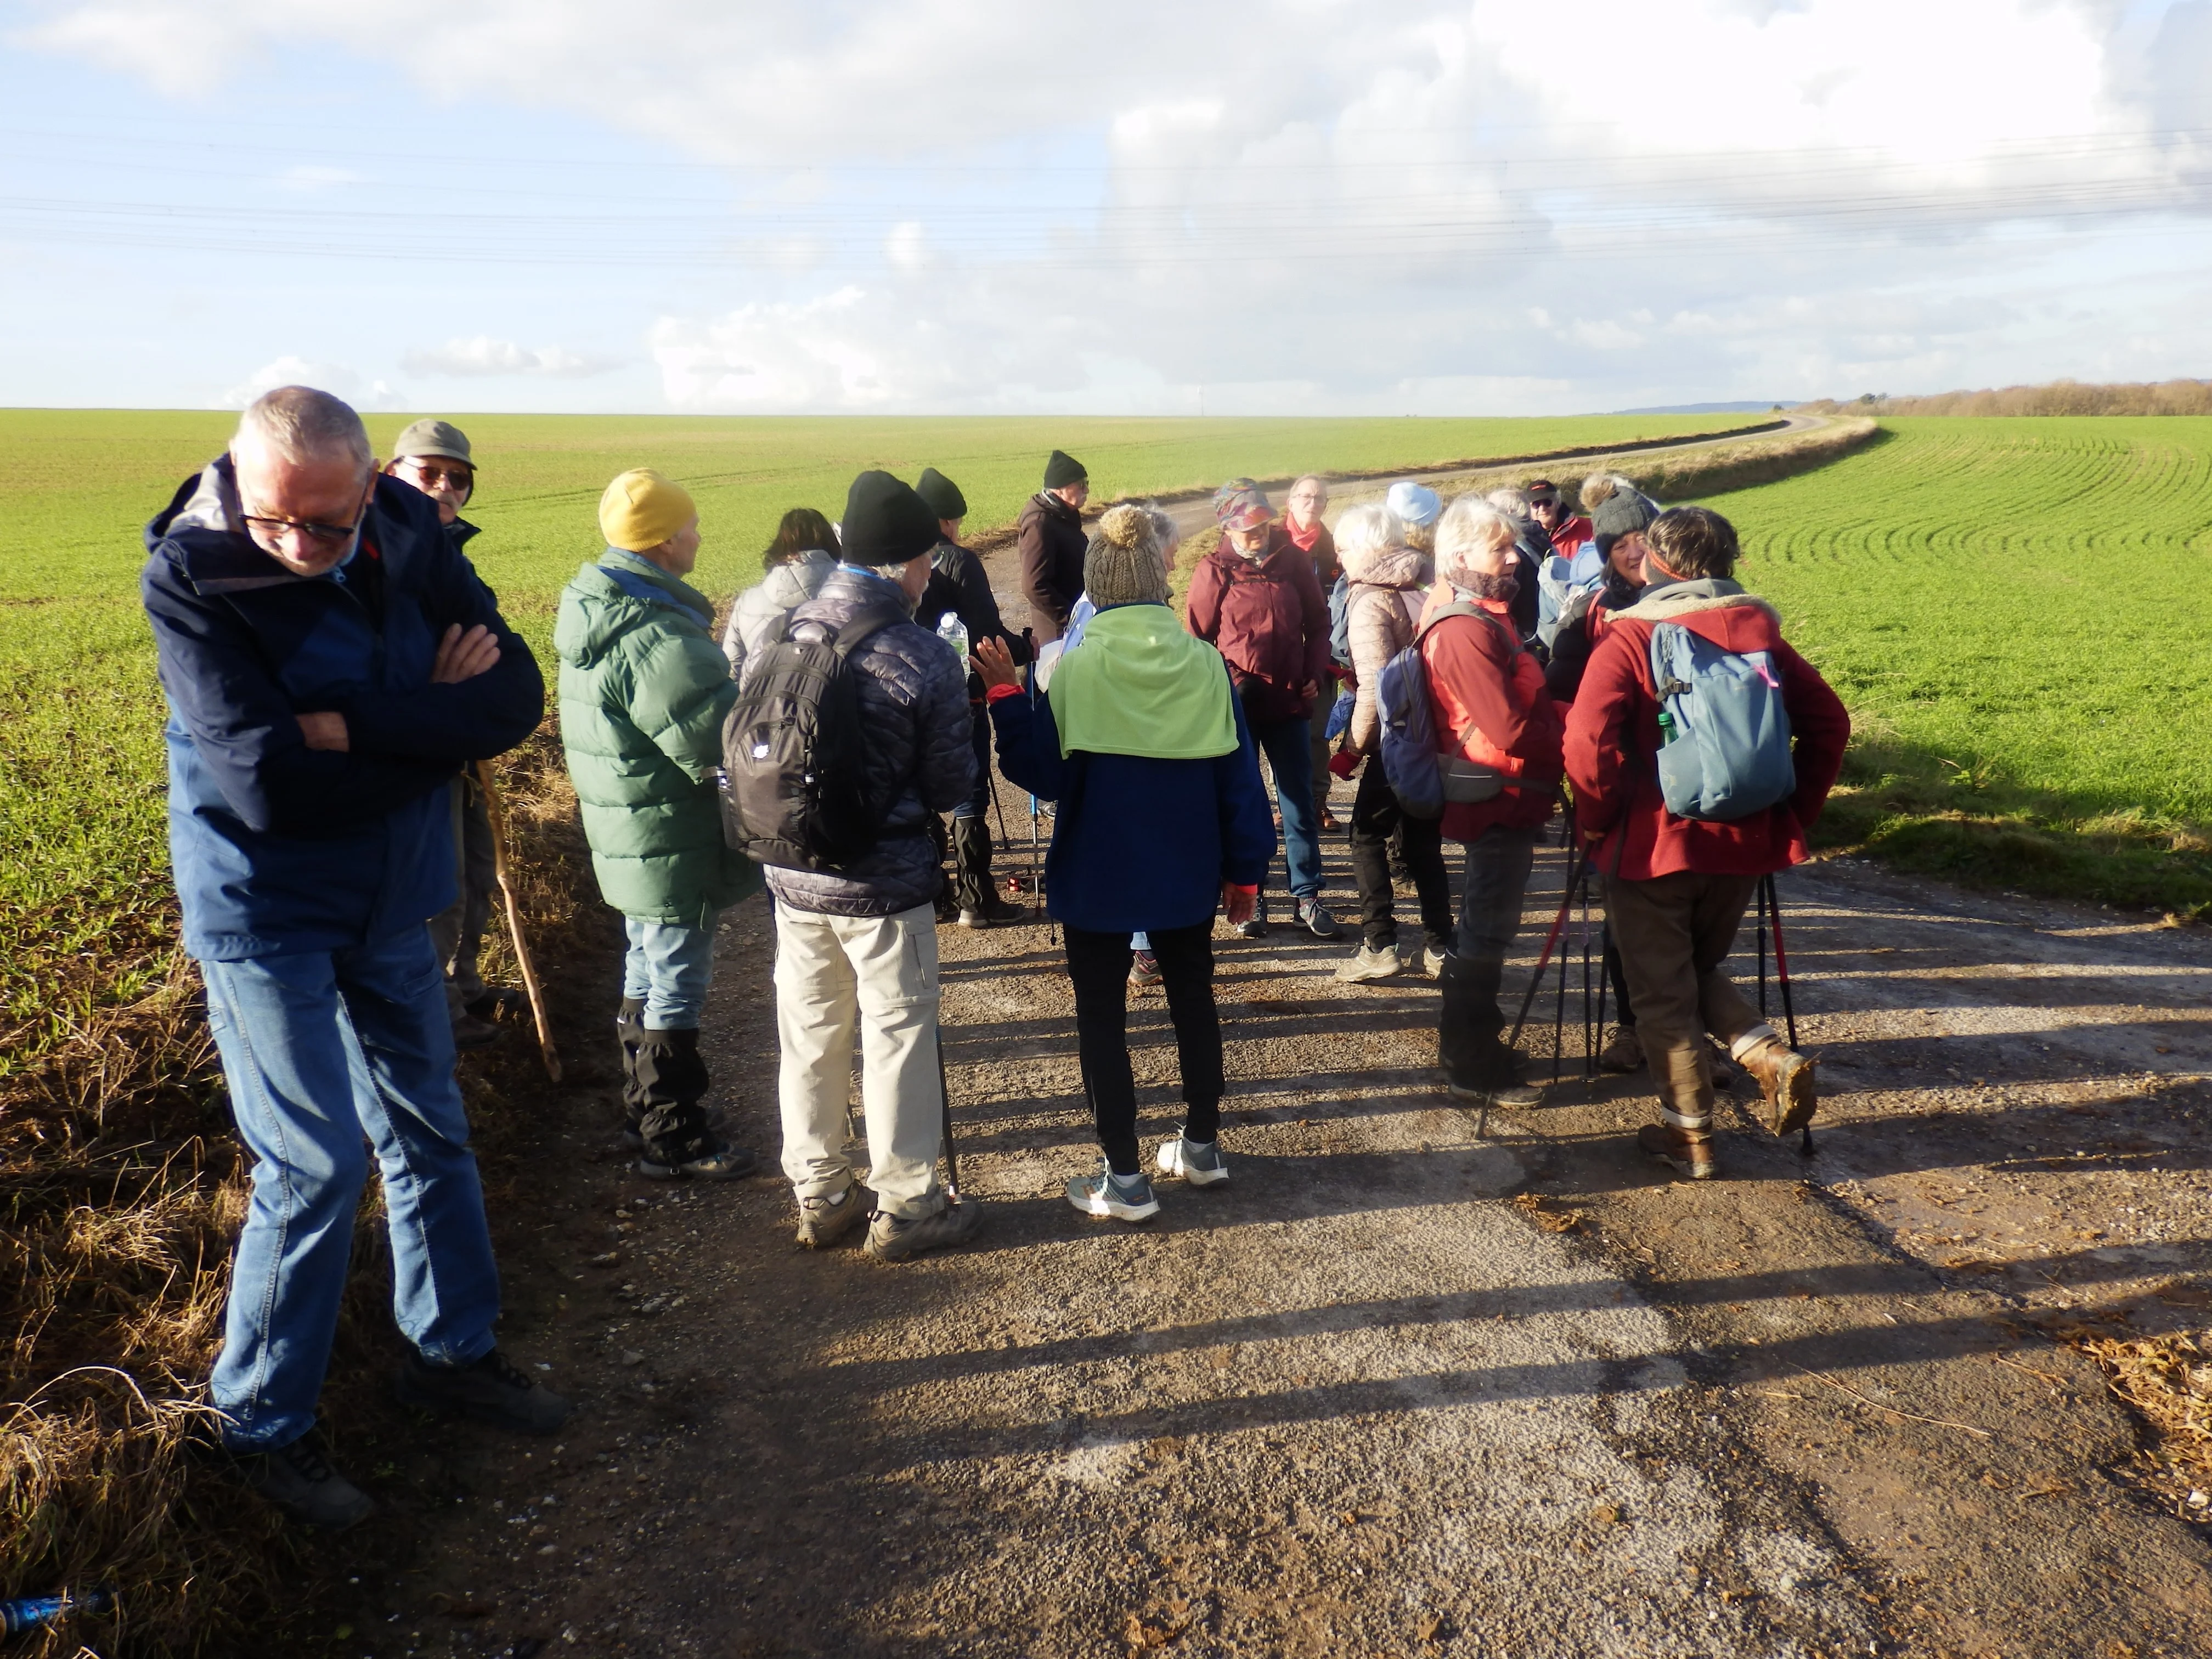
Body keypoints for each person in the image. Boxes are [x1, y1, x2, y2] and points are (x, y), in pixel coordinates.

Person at [142, 386, 566, 1530]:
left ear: (369, 484)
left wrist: (357, 724)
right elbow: (268, 787)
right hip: (264, 905)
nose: (299, 548)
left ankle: (450, 1352)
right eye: (276, 521)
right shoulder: (193, 573)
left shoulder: (408, 527)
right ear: (238, 479)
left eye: (327, 525)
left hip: (393, 892)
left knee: (429, 1120)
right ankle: (260, 1427)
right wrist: (427, 717)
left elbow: (512, 695)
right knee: (316, 1163)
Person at [976, 506, 1274, 1222]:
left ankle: (1125, 1178)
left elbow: (1042, 774)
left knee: (1102, 1021)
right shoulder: (1204, 664)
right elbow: (1239, 782)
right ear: (1156, 581)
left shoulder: (1075, 670)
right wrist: (1245, 874)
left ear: (1098, 583)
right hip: (1186, 870)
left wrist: (1006, 698)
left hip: (1098, 870)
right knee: (1193, 1003)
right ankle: (1202, 1146)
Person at [1565, 506, 1850, 1180]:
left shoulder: (1632, 638)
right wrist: (1792, 816)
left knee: (1660, 992)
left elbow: (1586, 742)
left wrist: (1596, 822)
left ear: (1659, 565)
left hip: (1652, 845)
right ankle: (1765, 1055)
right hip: (1745, 841)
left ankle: (1688, 1138)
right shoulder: (1763, 636)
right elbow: (1830, 724)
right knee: (1688, 971)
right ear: (1731, 562)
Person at [769, 471, 981, 1262]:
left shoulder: (788, 633)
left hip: (793, 876)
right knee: (895, 1034)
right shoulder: (918, 654)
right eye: (926, 560)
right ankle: (908, 1204)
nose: (931, 574)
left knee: (811, 1035)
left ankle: (822, 1195)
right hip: (883, 884)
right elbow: (955, 786)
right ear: (901, 564)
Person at [556, 470, 762, 1179]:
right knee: (677, 975)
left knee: (645, 963)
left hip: (629, 835)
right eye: (692, 524)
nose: (700, 534)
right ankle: (674, 1133)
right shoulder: (654, 637)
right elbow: (721, 739)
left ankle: (641, 1104)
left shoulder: (598, 611)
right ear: (665, 539)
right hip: (668, 836)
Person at [1424, 499, 1566, 1107]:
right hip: (1495, 794)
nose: (1514, 557)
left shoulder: (1487, 614)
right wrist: (1579, 731)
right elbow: (1507, 727)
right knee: (1485, 930)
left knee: (1487, 926)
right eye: (1500, 548)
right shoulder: (1463, 628)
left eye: (1513, 547)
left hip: (1507, 792)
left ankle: (1475, 1046)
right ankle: (1469, 1061)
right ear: (1460, 557)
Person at [385, 418, 510, 1053]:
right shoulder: (384, 554)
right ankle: (441, 1012)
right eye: (428, 472)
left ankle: (466, 986)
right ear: (390, 473)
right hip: (422, 751)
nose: (445, 487)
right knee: (442, 886)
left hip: (460, 745)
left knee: (476, 873)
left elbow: (489, 652)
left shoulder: (449, 553)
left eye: (457, 478)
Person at [1185, 479, 1336, 939]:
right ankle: (1252, 899)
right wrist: (1232, 684)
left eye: (1264, 526)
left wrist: (1313, 671)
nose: (1259, 536)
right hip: (1239, 708)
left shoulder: (1292, 561)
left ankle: (1307, 894)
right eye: (1249, 530)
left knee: (1298, 801)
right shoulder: (1214, 571)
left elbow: (1318, 622)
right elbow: (1198, 642)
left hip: (1291, 701)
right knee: (1245, 804)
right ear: (1228, 528)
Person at [1331, 504, 1455, 983]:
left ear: (1363, 549)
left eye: (1342, 547)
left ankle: (1379, 944)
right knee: (1424, 844)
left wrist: (1351, 750)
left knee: (1365, 835)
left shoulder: (1368, 602)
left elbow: (1374, 690)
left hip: (1394, 743)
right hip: (1433, 738)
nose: (1338, 556)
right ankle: (1442, 948)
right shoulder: (1427, 586)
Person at [912, 465, 1025, 927]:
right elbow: (985, 633)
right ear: (945, 521)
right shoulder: (960, 561)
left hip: (912, 695)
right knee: (969, 795)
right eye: (955, 520)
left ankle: (934, 894)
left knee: (918, 793)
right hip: (964, 696)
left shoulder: (902, 561)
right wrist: (1023, 648)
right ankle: (977, 899)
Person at [1280, 475, 1342, 831]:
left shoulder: (1336, 549)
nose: (1313, 503)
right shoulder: (1271, 542)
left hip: (1322, 658)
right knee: (1278, 732)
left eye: (1320, 498)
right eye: (1306, 496)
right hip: (1276, 655)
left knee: (1317, 733)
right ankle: (1284, 802)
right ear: (1290, 502)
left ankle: (1319, 802)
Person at [722, 507, 839, 680]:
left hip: (760, 703)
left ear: (780, 545)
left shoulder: (748, 602)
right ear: (832, 544)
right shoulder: (846, 598)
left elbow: (731, 669)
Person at [1018, 449, 1090, 643]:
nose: (1087, 491)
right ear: (1060, 489)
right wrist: (1069, 618)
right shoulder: (1039, 525)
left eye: (1087, 484)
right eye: (1081, 485)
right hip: (1057, 634)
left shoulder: (1064, 515)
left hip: (1070, 628)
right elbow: (1034, 585)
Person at [1526, 479, 1592, 557]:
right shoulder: (1522, 538)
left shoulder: (1587, 528)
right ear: (1528, 508)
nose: (1542, 508)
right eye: (1536, 504)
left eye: (1548, 502)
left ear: (1558, 503)